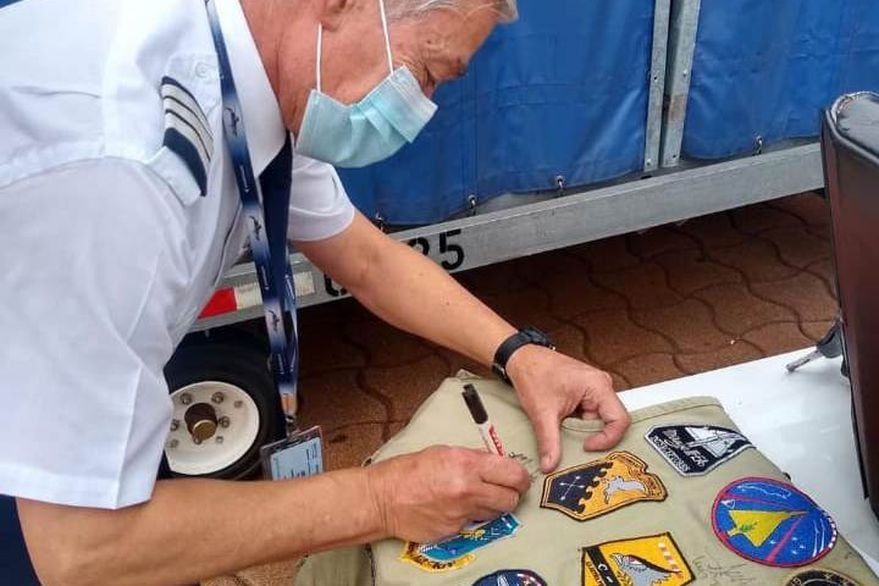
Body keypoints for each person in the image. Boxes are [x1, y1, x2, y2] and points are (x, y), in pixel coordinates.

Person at [0, 0, 631, 583]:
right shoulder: (119, 166)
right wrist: (382, 499)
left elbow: (363, 258)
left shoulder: (250, 65)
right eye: (428, 71)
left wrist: (520, 354)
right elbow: (83, 550)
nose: (421, 106)